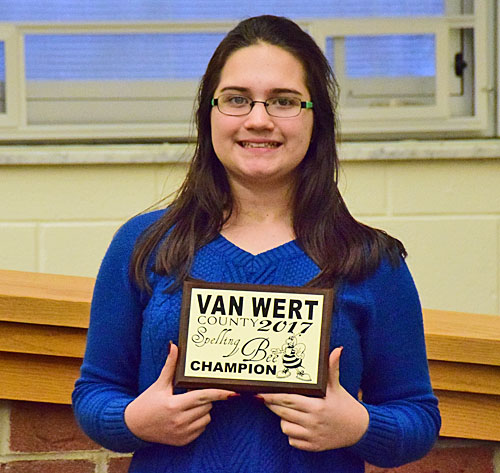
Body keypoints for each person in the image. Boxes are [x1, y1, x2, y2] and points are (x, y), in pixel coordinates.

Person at [72, 15, 441, 473]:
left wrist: (360, 426)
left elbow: (418, 417)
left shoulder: (370, 261)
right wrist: (133, 420)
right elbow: (94, 392)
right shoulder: (144, 244)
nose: (259, 120)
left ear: (316, 117)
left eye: (284, 101)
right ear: (209, 113)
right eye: (237, 100)